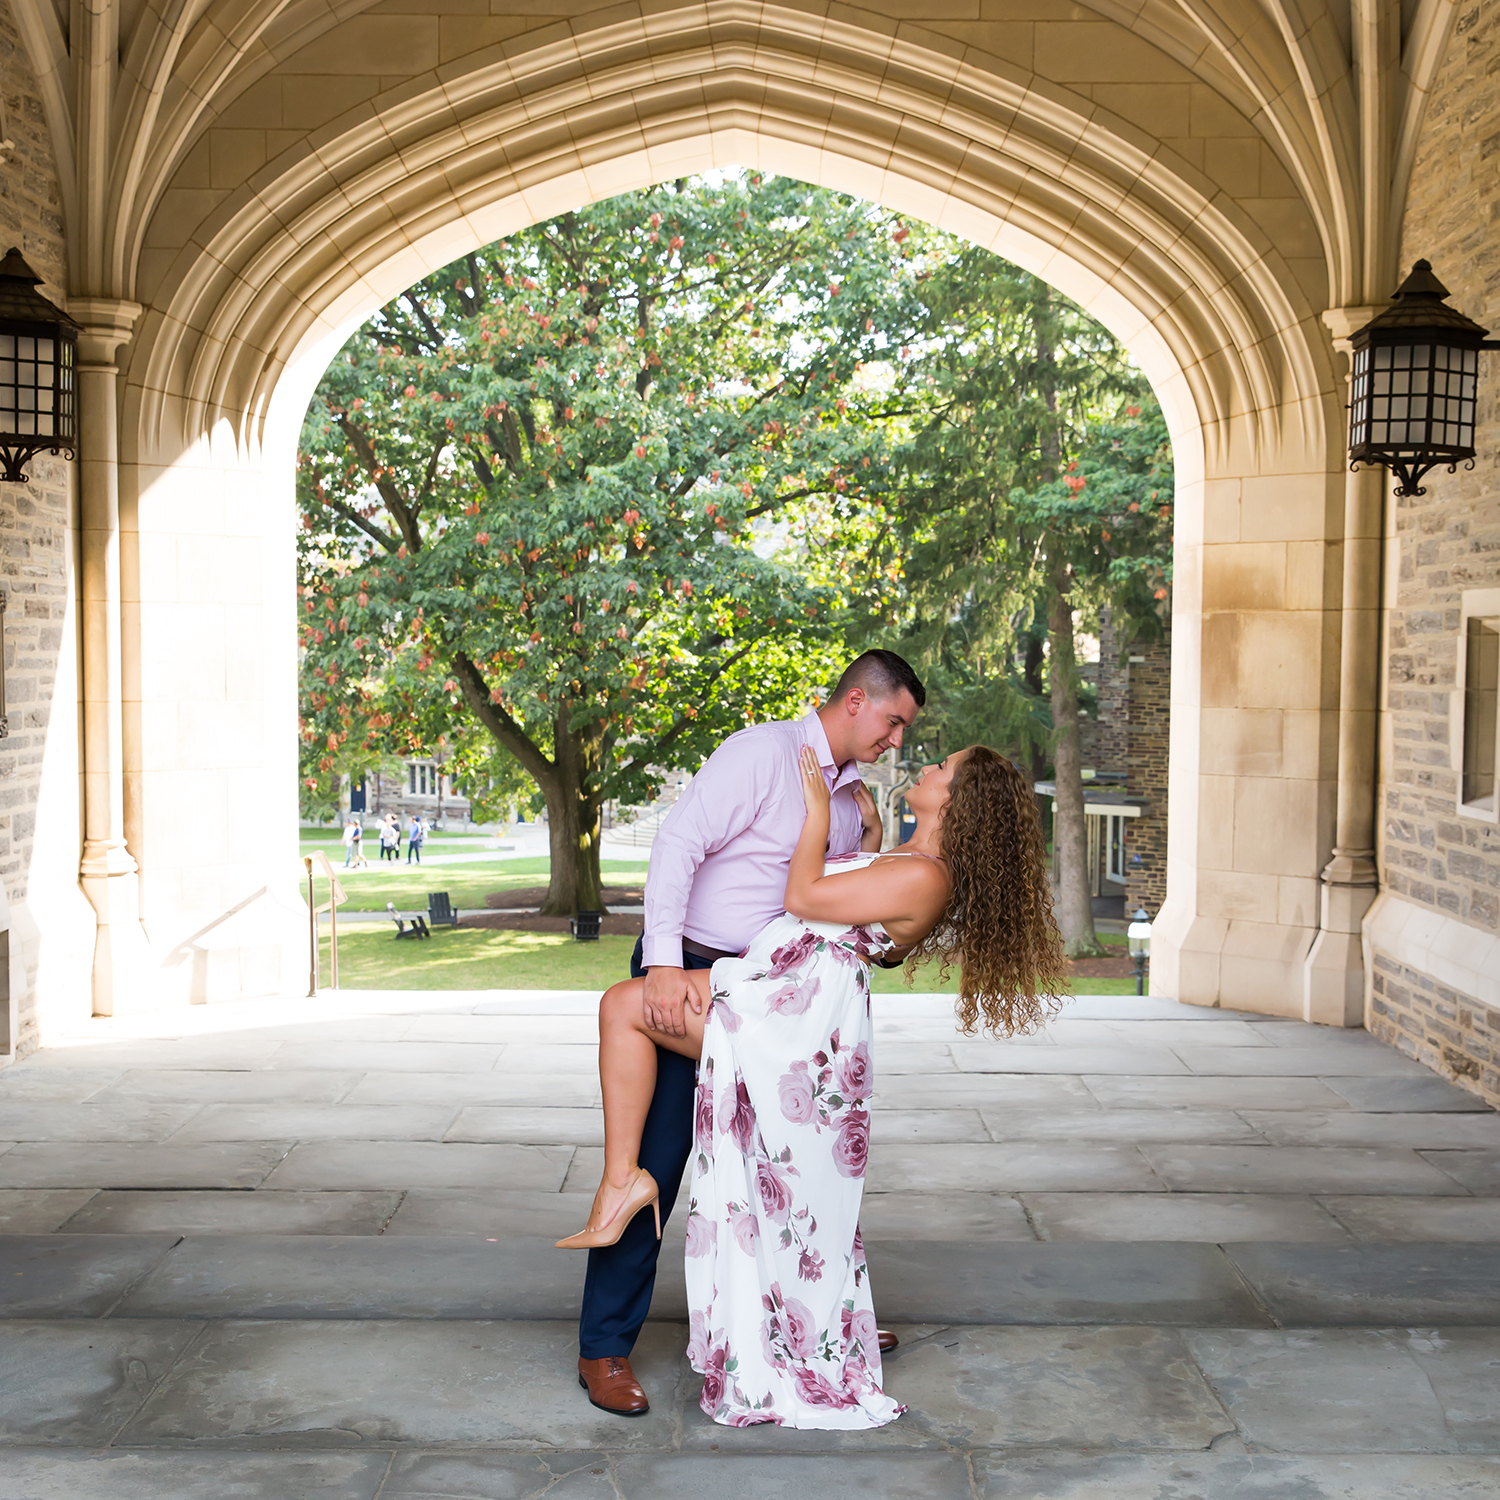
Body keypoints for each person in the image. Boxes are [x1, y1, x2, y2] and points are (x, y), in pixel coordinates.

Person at [560, 739, 1065, 1428]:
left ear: (959, 800)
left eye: (942, 767)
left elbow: (806, 895)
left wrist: (818, 816)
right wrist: (868, 834)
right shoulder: (908, 859)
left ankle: (628, 1183)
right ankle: (795, 1319)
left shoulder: (927, 876)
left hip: (793, 1019)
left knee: (625, 1008)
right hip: (788, 1002)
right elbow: (849, 899)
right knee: (795, 1193)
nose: (922, 762)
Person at [560, 650, 923, 1419]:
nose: (897, 741)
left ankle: (816, 1328)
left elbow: (833, 906)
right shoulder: (760, 754)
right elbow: (677, 846)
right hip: (688, 972)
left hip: (774, 1005)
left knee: (788, 1171)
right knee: (658, 1157)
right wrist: (661, 964)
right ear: (857, 700)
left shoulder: (855, 800)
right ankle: (603, 1349)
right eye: (894, 722)